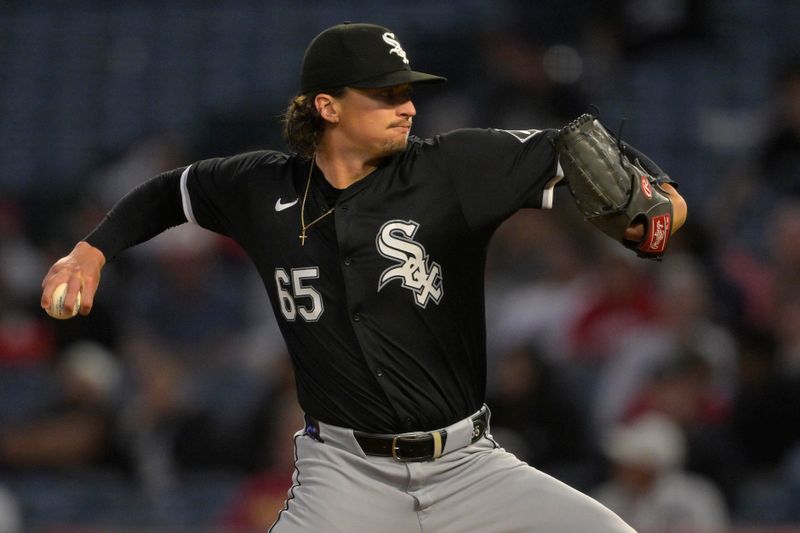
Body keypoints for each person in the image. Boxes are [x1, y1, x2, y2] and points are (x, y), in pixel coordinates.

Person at [41, 21, 687, 532]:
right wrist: (92, 252)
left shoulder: (452, 169)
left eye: (407, 90)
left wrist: (661, 201)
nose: (406, 106)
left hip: (468, 465)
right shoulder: (259, 186)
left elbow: (576, 149)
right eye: (385, 93)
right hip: (345, 473)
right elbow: (168, 193)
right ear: (327, 105)